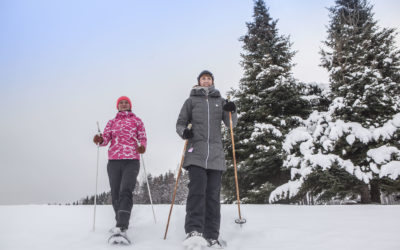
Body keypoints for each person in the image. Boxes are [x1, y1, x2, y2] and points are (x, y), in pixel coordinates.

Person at [176, 70, 237, 248]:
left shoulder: (221, 101)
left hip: (216, 155)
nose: (206, 81)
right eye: (203, 78)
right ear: (199, 82)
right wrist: (184, 132)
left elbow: (231, 124)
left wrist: (232, 110)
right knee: (197, 191)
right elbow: (180, 123)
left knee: (212, 195)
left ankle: (212, 235)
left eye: (208, 78)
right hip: (196, 153)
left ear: (212, 82)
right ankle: (194, 230)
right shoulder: (191, 101)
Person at [93, 96, 147, 243]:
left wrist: (142, 147)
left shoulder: (137, 120)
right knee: (116, 193)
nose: (123, 104)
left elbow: (142, 137)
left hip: (131, 160)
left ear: (130, 105)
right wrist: (100, 140)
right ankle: (120, 221)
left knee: (125, 190)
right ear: (117, 106)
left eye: (126, 102)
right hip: (114, 161)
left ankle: (122, 227)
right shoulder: (112, 122)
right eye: (121, 103)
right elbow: (105, 139)